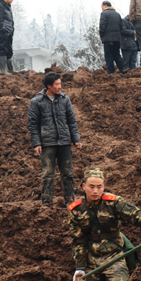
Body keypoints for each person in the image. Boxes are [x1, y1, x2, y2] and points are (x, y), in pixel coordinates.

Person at [28, 72, 82, 206]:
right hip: (47, 143)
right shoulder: (36, 102)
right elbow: (33, 124)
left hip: (64, 142)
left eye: (60, 83)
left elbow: (71, 121)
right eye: (57, 84)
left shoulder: (65, 99)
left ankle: (70, 201)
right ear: (49, 86)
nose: (60, 87)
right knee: (48, 174)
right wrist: (37, 143)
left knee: (68, 173)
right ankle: (46, 203)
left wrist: (76, 139)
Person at [98, 1, 124, 74]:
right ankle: (122, 68)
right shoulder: (117, 14)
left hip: (108, 38)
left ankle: (111, 71)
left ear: (105, 6)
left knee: (108, 55)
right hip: (117, 38)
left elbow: (102, 26)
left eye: (102, 7)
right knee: (117, 54)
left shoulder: (104, 14)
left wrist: (102, 36)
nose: (102, 9)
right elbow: (122, 27)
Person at [0, 0, 15, 73]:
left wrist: (12, 29)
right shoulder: (0, 7)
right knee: (3, 49)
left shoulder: (8, 7)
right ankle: (3, 70)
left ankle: (10, 70)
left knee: (9, 50)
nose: (12, 0)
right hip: (3, 32)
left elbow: (10, 20)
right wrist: (3, 30)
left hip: (10, 32)